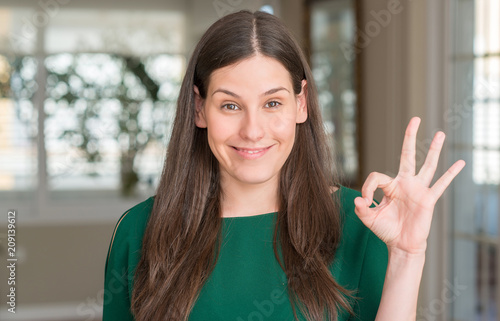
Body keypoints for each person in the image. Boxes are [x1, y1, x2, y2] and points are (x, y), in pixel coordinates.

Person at [103, 10, 465, 321]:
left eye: (272, 103)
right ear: (199, 109)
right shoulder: (138, 231)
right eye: (230, 105)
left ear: (301, 104)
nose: (253, 130)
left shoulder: (362, 223)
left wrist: (406, 256)